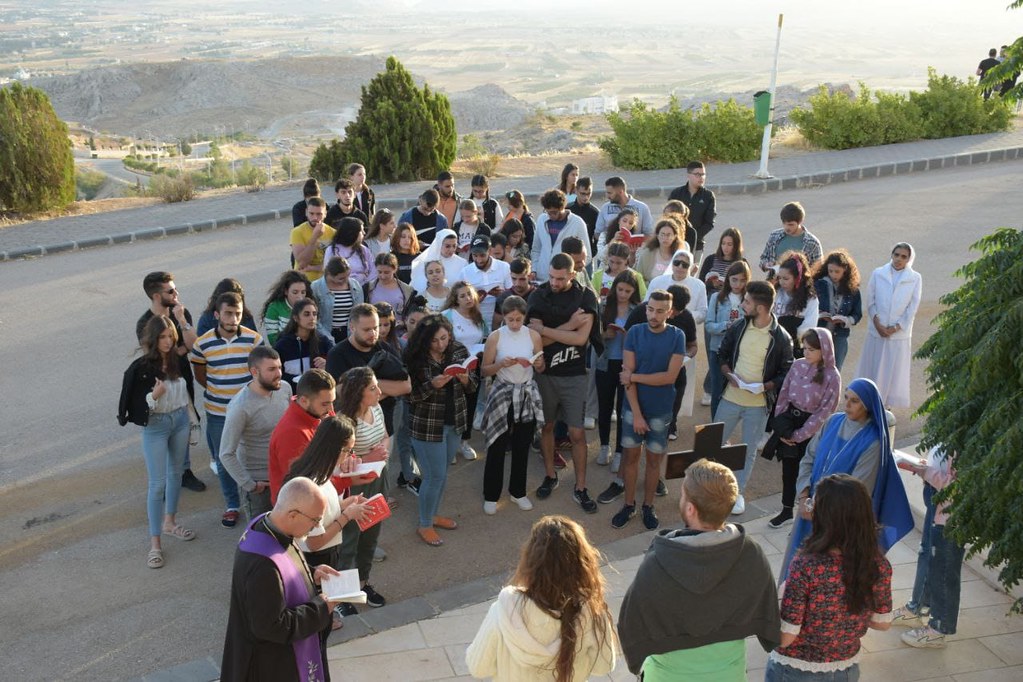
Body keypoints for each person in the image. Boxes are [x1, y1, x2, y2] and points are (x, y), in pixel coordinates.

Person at [617, 458, 780, 680]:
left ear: (691, 509)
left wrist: (637, 665)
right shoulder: (751, 553)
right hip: (728, 673)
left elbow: (631, 624)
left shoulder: (657, 562)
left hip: (668, 675)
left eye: (683, 495)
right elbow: (768, 611)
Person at [781, 378, 915, 582]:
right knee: (795, 570)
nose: (847, 404)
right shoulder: (833, 422)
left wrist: (818, 510)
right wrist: (803, 496)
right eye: (846, 398)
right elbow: (808, 458)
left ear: (868, 405)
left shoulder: (873, 442)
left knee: (820, 580)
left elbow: (857, 490)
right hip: (808, 509)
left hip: (836, 522)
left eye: (855, 401)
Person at [767, 474, 893, 681]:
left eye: (813, 504)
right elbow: (882, 623)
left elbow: (786, 637)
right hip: (846, 668)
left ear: (825, 516)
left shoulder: (806, 565)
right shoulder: (877, 564)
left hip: (796, 670)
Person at [220, 477, 343, 682]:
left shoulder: (267, 525)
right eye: (315, 520)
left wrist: (310, 573)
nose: (317, 527)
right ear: (293, 515)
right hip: (272, 665)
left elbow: (284, 568)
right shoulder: (262, 564)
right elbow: (272, 626)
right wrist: (322, 606)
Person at [465, 515, 617, 681]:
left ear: (531, 560)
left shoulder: (506, 609)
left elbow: (478, 668)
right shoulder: (591, 610)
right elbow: (604, 666)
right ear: (582, 562)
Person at [118, 315, 197, 569]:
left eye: (170, 336)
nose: (166, 341)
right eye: (162, 337)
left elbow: (187, 395)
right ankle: (155, 544)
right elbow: (135, 407)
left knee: (176, 474)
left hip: (180, 422)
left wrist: (193, 422)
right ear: (153, 339)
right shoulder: (141, 368)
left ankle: (170, 522)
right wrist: (154, 395)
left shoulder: (177, 361)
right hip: (156, 426)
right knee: (156, 484)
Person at [283, 415, 372, 632]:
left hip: (324, 551)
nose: (349, 456)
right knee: (318, 608)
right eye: (349, 450)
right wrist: (347, 516)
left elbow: (325, 511)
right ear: (336, 448)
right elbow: (314, 542)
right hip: (317, 556)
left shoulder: (319, 472)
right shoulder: (313, 483)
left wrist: (345, 504)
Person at [526, 254, 600, 512]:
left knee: (577, 433)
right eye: (551, 277)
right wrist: (568, 326)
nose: (555, 283)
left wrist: (546, 330)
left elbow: (581, 340)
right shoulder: (538, 297)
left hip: (574, 375)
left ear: (572, 274)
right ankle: (550, 475)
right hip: (545, 376)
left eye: (560, 278)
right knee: (546, 427)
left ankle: (581, 487)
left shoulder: (585, 297)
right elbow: (533, 342)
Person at [716, 281, 794, 515]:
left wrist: (765, 386)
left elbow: (786, 372)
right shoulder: (739, 327)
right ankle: (710, 485)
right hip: (730, 397)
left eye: (747, 301)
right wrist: (728, 374)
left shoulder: (781, 338)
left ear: (760, 308)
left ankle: (737, 493)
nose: (742, 304)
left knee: (748, 451)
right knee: (710, 442)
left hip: (758, 405)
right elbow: (722, 355)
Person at [611, 290, 687, 531]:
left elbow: (669, 377)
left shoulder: (678, 336)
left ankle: (648, 505)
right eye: (651, 309)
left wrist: (634, 376)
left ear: (670, 312)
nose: (654, 315)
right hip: (633, 409)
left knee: (654, 462)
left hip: (662, 410)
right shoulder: (634, 332)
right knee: (630, 458)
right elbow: (626, 381)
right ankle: (629, 504)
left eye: (660, 311)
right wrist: (638, 414)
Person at [190, 292, 264, 528]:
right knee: (225, 459)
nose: (233, 318)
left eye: (238, 314)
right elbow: (201, 376)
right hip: (218, 412)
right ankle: (232, 504)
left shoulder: (254, 340)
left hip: (249, 411)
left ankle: (254, 499)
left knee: (252, 455)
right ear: (217, 315)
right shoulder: (202, 344)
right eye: (228, 313)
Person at [404, 314, 477, 546]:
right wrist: (431, 385)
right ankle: (425, 524)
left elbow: (473, 386)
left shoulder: (458, 351)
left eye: (444, 338)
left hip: (454, 421)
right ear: (425, 340)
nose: (441, 345)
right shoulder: (415, 358)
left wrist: (465, 379)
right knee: (434, 476)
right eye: (434, 341)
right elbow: (409, 396)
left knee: (442, 473)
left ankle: (433, 514)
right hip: (427, 426)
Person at [762, 328, 842, 530]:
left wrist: (800, 435)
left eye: (811, 349)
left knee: (808, 472)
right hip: (790, 422)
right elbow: (784, 393)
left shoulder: (832, 376)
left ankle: (807, 512)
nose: (806, 353)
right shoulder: (797, 366)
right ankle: (786, 510)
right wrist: (783, 426)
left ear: (824, 350)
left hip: (811, 431)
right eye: (804, 348)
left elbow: (824, 412)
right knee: (788, 470)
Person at [136, 271, 204, 492]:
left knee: (183, 425)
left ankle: (184, 471)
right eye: (171, 291)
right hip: (159, 385)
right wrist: (179, 349)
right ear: (156, 295)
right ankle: (164, 478)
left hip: (183, 381)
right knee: (163, 428)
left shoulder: (181, 313)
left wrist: (182, 320)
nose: (176, 293)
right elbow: (154, 355)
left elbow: (194, 345)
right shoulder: (145, 323)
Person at [893, 446, 964, 649]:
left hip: (951, 514)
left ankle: (938, 629)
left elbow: (958, 487)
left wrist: (925, 471)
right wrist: (925, 468)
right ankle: (917, 607)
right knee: (928, 556)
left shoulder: (970, 437)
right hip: (937, 503)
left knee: (944, 568)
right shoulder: (950, 427)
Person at [479, 295, 544, 514]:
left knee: (522, 445)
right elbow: (484, 370)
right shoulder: (495, 337)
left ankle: (518, 492)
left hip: (525, 391)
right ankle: (491, 494)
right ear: (503, 318)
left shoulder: (533, 335)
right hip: (503, 391)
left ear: (524, 317)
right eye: (510, 320)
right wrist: (500, 364)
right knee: (497, 444)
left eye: (518, 319)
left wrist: (539, 362)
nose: (514, 324)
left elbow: (540, 367)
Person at [334, 367, 391, 614]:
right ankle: (341, 597)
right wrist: (371, 455)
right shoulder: (345, 422)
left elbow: (386, 436)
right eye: (373, 388)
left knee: (370, 537)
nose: (379, 391)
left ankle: (362, 583)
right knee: (349, 542)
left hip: (379, 479)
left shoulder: (376, 408)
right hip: (356, 486)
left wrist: (382, 450)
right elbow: (341, 463)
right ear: (358, 393)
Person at [219, 347, 293, 521]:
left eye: (279, 367)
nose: (279, 374)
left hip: (286, 477)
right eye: (271, 369)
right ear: (254, 371)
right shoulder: (240, 407)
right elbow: (225, 453)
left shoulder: (285, 388)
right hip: (261, 486)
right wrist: (250, 485)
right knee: (261, 541)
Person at [324, 303, 410, 436]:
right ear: (352, 327)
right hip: (353, 429)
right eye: (366, 329)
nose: (373, 333)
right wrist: (385, 389)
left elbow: (406, 386)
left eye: (375, 327)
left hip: (385, 425)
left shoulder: (385, 348)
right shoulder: (337, 354)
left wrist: (362, 386)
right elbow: (342, 394)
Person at [854, 243, 922, 408]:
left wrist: (896, 327)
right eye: (896, 254)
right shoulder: (878, 273)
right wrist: (877, 323)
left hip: (898, 335)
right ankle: (866, 398)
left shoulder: (915, 278)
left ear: (909, 259)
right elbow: (871, 301)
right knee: (873, 365)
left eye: (903, 256)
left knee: (891, 369)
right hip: (876, 331)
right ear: (891, 254)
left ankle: (886, 403)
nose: (899, 259)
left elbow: (912, 307)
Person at [593, 271, 641, 469]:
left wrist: (629, 336)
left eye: (627, 291)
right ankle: (604, 446)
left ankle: (620, 451)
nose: (623, 294)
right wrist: (605, 334)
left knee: (624, 408)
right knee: (604, 407)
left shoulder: (637, 310)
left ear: (634, 291)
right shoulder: (604, 306)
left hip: (626, 365)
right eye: (620, 289)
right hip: (605, 362)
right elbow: (593, 336)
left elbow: (642, 339)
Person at [268, 369, 337, 502]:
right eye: (325, 404)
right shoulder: (291, 434)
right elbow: (304, 487)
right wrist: (348, 479)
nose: (331, 409)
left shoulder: (321, 412)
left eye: (332, 401)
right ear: (304, 400)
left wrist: (350, 456)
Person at [442, 281, 489, 461]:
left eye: (470, 294)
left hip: (473, 368)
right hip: (453, 368)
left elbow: (485, 338)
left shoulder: (479, 318)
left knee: (470, 404)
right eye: (463, 296)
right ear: (455, 299)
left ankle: (464, 442)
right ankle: (450, 445)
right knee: (452, 406)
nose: (468, 298)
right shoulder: (447, 315)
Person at [706, 261, 751, 418]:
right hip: (717, 350)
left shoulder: (749, 301)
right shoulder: (716, 298)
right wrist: (726, 325)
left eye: (742, 280)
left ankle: (726, 428)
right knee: (717, 391)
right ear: (728, 280)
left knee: (733, 392)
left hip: (740, 353)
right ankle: (716, 431)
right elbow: (709, 326)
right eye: (734, 279)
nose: (738, 284)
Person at [813, 249, 863, 371]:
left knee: (835, 370)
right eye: (830, 271)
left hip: (840, 336)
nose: (833, 275)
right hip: (818, 334)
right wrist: (818, 315)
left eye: (837, 271)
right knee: (816, 369)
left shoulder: (853, 290)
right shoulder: (818, 284)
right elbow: (808, 307)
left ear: (845, 271)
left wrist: (845, 320)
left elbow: (857, 314)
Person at [531, 189, 590, 284]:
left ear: (562, 207)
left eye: (554, 212)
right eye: (548, 212)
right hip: (541, 279)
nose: (550, 216)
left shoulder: (577, 223)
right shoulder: (542, 219)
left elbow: (587, 255)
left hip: (565, 280)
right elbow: (536, 249)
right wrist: (534, 269)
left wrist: (569, 273)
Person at [274, 298, 334, 389]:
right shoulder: (282, 344)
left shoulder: (322, 341)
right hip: (292, 392)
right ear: (295, 318)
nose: (312, 318)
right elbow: (275, 373)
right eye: (306, 314)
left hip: (317, 391)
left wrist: (327, 363)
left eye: (314, 314)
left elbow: (336, 363)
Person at [461, 234, 513, 340]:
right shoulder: (465, 272)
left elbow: (513, 294)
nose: (479, 260)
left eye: (482, 255)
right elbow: (458, 301)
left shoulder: (504, 267)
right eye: (475, 256)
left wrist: (502, 295)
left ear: (489, 251)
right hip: (475, 324)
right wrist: (475, 298)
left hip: (500, 322)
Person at [772, 251, 820, 359]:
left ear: (797, 279)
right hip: (773, 344)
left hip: (795, 349)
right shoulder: (776, 292)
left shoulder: (810, 300)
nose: (781, 282)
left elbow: (809, 328)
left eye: (786, 279)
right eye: (779, 278)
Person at [759, 201, 823, 277]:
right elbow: (763, 258)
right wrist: (766, 265)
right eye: (784, 223)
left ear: (800, 222)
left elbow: (818, 269)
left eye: (791, 224)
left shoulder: (812, 243)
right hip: (775, 282)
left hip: (799, 286)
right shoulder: (774, 236)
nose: (786, 228)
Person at [310, 257, 365, 344]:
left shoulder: (355, 285)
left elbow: (359, 312)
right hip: (325, 332)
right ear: (329, 274)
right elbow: (314, 317)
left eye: (348, 276)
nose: (346, 280)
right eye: (341, 278)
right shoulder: (316, 287)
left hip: (349, 333)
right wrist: (326, 337)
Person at [668, 161, 717, 254]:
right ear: (688, 175)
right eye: (697, 174)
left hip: (696, 245)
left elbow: (709, 223)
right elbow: (667, 217)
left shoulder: (708, 196)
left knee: (693, 268)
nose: (701, 178)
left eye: (703, 174)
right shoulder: (676, 193)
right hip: (675, 242)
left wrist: (693, 236)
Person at [363, 252, 414, 331]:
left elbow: (411, 313)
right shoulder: (367, 288)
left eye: (387, 272)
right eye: (379, 272)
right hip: (375, 330)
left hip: (398, 331)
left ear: (395, 269)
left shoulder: (407, 290)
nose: (383, 276)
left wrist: (404, 322)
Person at [261, 270, 312, 346]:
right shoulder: (274, 308)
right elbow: (273, 338)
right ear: (286, 291)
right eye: (295, 292)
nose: (300, 297)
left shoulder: (311, 306)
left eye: (303, 292)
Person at [290, 196, 336, 279]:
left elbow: (334, 264)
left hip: (326, 281)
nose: (315, 218)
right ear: (306, 212)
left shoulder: (333, 233)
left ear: (325, 214)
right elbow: (302, 263)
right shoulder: (297, 232)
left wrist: (313, 268)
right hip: (304, 281)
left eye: (319, 214)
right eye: (311, 213)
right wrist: (315, 237)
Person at [410, 228, 466, 293]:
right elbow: (419, 285)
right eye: (447, 246)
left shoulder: (462, 263)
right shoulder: (427, 261)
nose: (451, 249)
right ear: (439, 244)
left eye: (454, 246)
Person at [326, 217, 376, 286]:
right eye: (361, 231)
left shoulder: (364, 250)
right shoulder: (332, 250)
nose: (364, 233)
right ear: (352, 233)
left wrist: (365, 286)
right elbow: (328, 273)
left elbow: (373, 270)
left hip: (364, 288)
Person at [698, 226, 747, 295]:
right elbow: (700, 285)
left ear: (736, 246)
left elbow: (745, 287)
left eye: (729, 244)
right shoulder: (710, 259)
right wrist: (711, 284)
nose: (725, 247)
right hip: (710, 297)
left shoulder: (741, 263)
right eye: (723, 243)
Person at [635, 218, 684, 283]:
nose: (665, 238)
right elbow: (639, 276)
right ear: (657, 236)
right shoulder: (647, 253)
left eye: (669, 235)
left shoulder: (680, 256)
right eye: (662, 234)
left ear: (675, 236)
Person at [492, 257, 535, 329]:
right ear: (510, 275)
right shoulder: (503, 297)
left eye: (522, 279)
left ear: (530, 277)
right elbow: (496, 325)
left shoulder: (538, 296)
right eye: (514, 279)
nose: (517, 283)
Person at [593, 206, 641, 271]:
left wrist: (632, 253)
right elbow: (601, 257)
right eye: (624, 221)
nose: (627, 225)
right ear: (618, 221)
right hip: (606, 272)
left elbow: (633, 266)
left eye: (630, 223)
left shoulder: (634, 240)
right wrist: (613, 240)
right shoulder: (605, 235)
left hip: (623, 274)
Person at [568, 176, 600, 255]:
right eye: (582, 194)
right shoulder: (567, 210)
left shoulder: (595, 213)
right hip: (567, 255)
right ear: (576, 190)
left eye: (589, 193)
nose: (586, 197)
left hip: (586, 256)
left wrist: (592, 252)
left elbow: (597, 237)